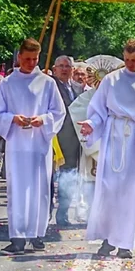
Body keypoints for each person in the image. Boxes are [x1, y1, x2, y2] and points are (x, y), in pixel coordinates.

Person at [80, 39, 135, 259]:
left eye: (134, 60)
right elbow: (99, 109)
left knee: (131, 190)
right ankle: (108, 239)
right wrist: (91, 124)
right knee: (110, 189)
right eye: (127, 60)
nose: (129, 64)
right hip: (114, 133)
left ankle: (126, 242)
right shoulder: (111, 80)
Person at [0, 38, 65, 255]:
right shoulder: (7, 83)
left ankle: (37, 233)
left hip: (40, 143)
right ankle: (18, 237)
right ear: (19, 57)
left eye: (35, 59)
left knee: (40, 189)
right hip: (17, 144)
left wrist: (43, 119)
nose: (31, 63)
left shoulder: (47, 82)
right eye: (27, 59)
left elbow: (58, 112)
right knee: (17, 190)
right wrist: (13, 118)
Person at [48, 56, 81, 223]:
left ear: (72, 70)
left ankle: (63, 212)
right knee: (49, 177)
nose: (64, 69)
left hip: (73, 140)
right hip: (53, 137)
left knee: (68, 177)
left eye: (67, 66)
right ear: (54, 69)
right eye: (60, 66)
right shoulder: (49, 86)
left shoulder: (79, 88)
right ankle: (46, 212)